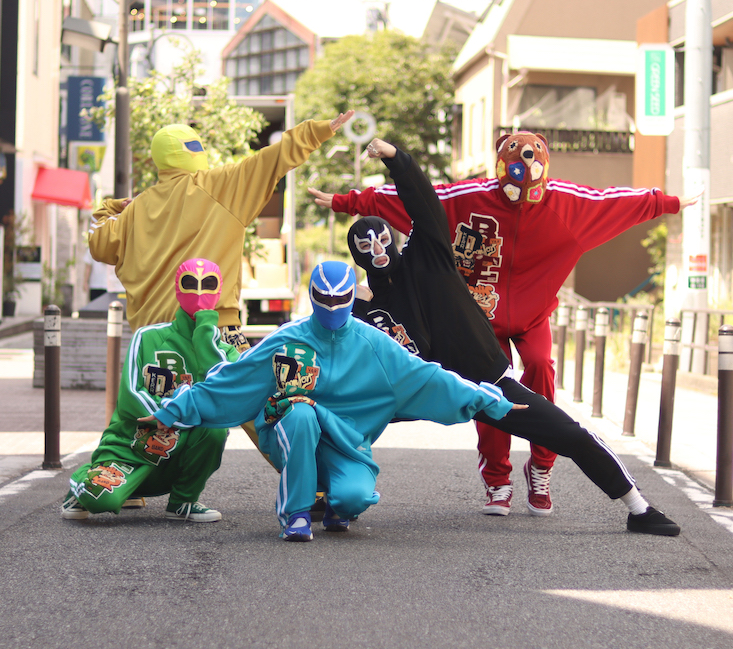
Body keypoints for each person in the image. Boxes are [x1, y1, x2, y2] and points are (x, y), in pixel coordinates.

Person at [311, 130, 700, 516]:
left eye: (382, 241)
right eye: (366, 247)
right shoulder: (363, 305)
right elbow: (329, 352)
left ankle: (634, 504)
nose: (377, 251)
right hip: (422, 384)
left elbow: (421, 197)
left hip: (489, 365)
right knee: (327, 413)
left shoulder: (429, 255)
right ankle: (316, 493)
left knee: (557, 411)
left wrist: (396, 158)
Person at [138, 261, 525, 542]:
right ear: (312, 296)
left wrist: (491, 400)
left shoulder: (375, 344)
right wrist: (173, 411)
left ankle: (338, 504)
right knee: (300, 412)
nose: (334, 305)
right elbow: (233, 380)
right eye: (324, 297)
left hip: (346, 442)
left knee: (354, 498)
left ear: (352, 295)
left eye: (341, 297)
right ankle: (296, 514)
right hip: (291, 428)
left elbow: (427, 376)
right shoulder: (287, 339)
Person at [89, 111, 354, 339]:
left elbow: (97, 240)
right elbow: (272, 159)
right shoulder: (219, 186)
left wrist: (114, 206)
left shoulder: (135, 210)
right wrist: (317, 131)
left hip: (153, 336)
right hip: (214, 330)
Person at [61, 258, 240, 522]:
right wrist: (171, 413)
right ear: (177, 289)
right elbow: (130, 395)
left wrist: (205, 334)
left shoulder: (225, 352)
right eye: (190, 283)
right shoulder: (147, 337)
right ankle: (82, 485)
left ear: (219, 291)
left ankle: (183, 501)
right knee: (102, 501)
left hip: (176, 453)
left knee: (215, 431)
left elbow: (222, 397)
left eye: (208, 284)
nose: (199, 292)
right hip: (133, 447)